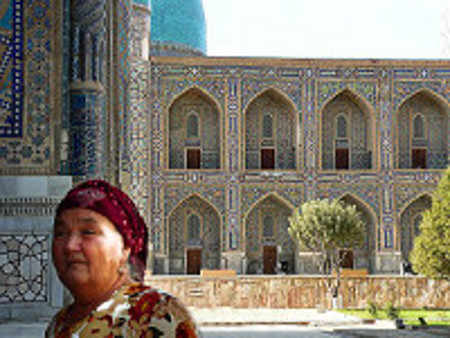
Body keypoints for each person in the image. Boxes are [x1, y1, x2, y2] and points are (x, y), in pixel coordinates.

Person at [46, 179, 198, 337]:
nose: (70, 246)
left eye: (88, 232)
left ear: (125, 247)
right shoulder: (60, 323)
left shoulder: (157, 315)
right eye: (61, 233)